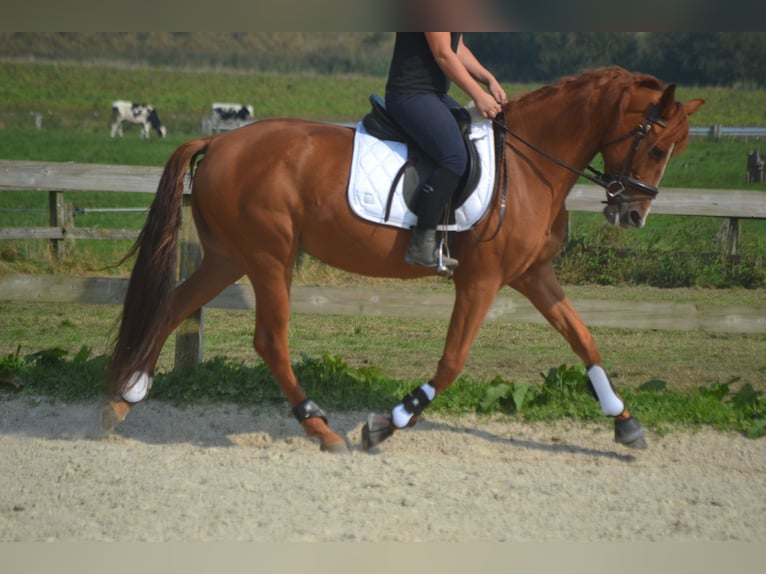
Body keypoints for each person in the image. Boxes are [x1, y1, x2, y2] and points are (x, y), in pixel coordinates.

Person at [384, 32, 508, 270]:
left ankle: (453, 230)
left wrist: (488, 79)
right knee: (454, 158)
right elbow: (442, 53)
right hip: (410, 94)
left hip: (434, 95)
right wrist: (478, 95)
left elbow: (456, 47)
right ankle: (421, 244)